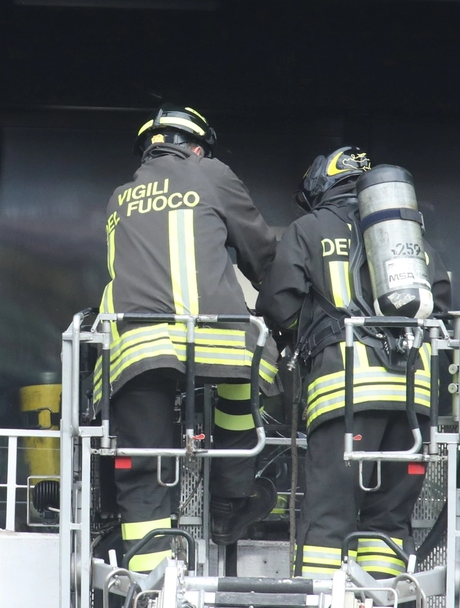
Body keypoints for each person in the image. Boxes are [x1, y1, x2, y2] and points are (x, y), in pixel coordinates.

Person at [97, 104, 280, 573]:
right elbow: (260, 253)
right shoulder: (211, 173)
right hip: (216, 340)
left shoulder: (120, 197)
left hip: (135, 350)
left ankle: (148, 582)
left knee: (144, 469)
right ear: (196, 147)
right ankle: (230, 499)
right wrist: (283, 307)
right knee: (245, 375)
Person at [257, 148, 453, 580]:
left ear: (319, 185)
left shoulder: (308, 229)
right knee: (388, 522)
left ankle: (321, 596)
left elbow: (278, 306)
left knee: (329, 520)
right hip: (413, 398)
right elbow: (439, 300)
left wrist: (305, 337)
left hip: (345, 395)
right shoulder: (406, 235)